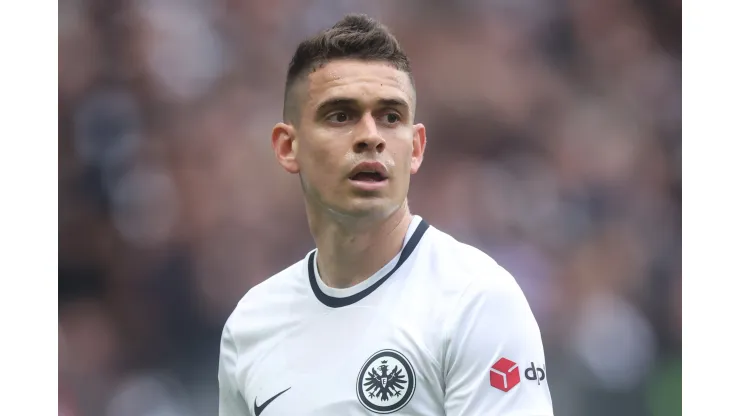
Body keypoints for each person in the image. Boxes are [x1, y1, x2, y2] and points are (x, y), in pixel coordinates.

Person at [218, 13, 553, 416]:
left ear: (415, 148)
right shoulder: (251, 325)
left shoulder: (476, 300)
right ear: (289, 147)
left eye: (390, 117)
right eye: (340, 115)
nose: (370, 136)